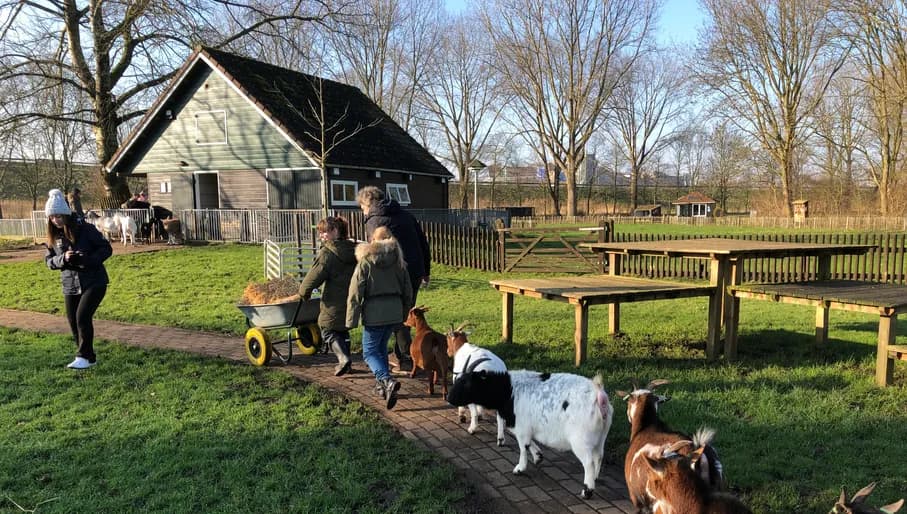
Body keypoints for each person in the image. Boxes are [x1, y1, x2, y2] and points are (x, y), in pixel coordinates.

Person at [356, 186, 430, 370]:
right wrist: (426, 270)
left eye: (362, 207)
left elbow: (376, 249)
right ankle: (404, 352)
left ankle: (404, 355)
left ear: (367, 203)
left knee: (399, 314)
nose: (362, 211)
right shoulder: (406, 215)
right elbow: (423, 243)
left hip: (394, 270)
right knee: (407, 308)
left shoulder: (374, 220)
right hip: (414, 269)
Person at [43, 188, 113, 369]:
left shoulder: (86, 229)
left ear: (66, 214)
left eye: (58, 216)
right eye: (52, 217)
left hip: (94, 281)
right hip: (70, 284)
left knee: (82, 317)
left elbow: (106, 248)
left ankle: (82, 356)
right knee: (73, 321)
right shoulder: (52, 236)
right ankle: (88, 357)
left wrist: (88, 259)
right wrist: (63, 259)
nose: (55, 220)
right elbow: (49, 261)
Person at [347, 226, 412, 410]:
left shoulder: (366, 261)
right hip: (394, 311)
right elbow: (407, 290)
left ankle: (386, 380)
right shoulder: (398, 260)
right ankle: (383, 387)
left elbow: (355, 292)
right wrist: (404, 313)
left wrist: (351, 319)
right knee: (381, 348)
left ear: (373, 240)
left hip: (374, 312)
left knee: (369, 352)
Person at [298, 216, 358, 376]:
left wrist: (304, 292)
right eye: (320, 232)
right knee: (343, 329)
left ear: (335, 231)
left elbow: (313, 277)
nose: (321, 236)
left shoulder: (328, 253)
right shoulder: (355, 250)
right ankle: (348, 364)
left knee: (328, 329)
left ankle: (343, 359)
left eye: (324, 232)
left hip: (334, 299)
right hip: (353, 298)